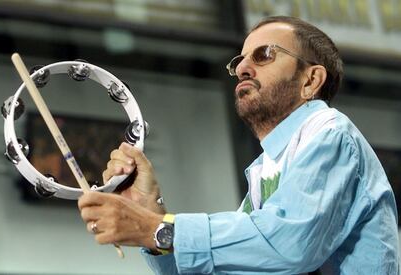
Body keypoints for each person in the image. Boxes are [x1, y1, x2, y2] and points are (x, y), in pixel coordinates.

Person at [78, 16, 399, 274]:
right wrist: (152, 210)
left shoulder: (330, 134)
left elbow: (289, 244)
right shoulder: (266, 168)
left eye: (265, 54)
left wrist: (156, 227)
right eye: (239, 61)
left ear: (311, 80)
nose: (243, 68)